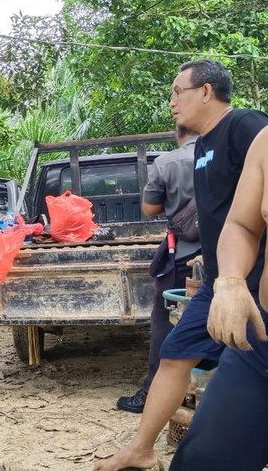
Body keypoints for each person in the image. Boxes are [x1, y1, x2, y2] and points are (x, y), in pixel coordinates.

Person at [95, 60, 268, 471]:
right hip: (224, 282)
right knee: (174, 354)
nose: (172, 102)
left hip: (250, 287)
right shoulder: (205, 145)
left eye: (177, 92)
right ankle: (141, 449)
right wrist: (221, 264)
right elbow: (239, 218)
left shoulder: (245, 126)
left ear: (206, 91)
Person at [169, 127, 268, 470]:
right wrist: (230, 280)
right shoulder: (266, 142)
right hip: (261, 343)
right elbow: (242, 224)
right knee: (203, 459)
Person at [116, 126, 201, 414]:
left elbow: (150, 208)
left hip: (183, 254)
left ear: (179, 134)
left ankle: (153, 392)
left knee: (165, 319)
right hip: (226, 252)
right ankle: (209, 391)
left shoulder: (168, 162)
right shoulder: (228, 156)